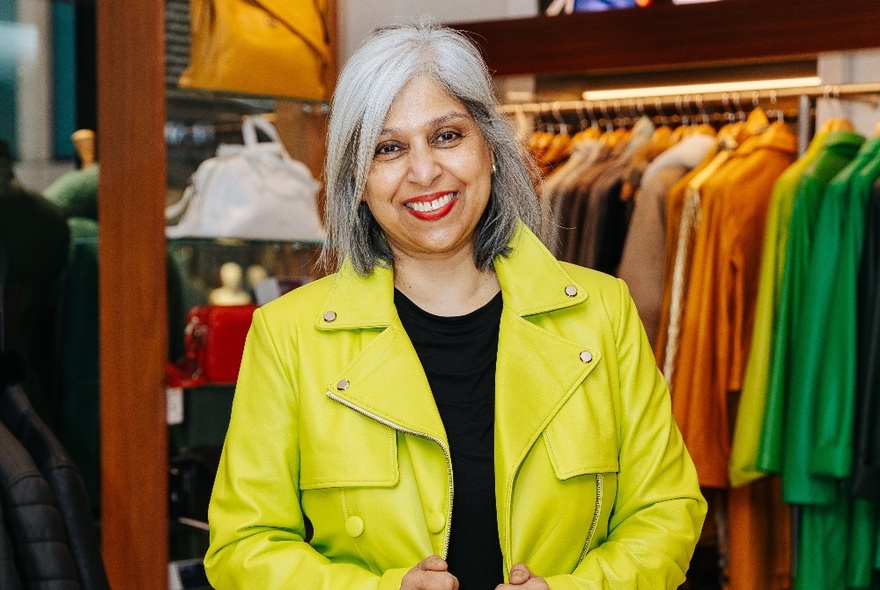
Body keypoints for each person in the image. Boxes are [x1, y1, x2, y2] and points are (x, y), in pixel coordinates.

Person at [204, 22, 706, 589]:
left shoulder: (601, 312)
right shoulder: (288, 335)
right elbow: (242, 547)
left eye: (446, 136)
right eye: (389, 148)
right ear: (357, 180)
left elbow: (667, 511)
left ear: (489, 148)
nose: (424, 172)